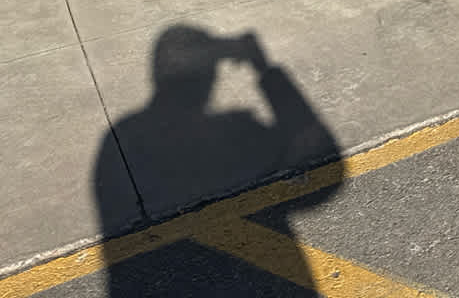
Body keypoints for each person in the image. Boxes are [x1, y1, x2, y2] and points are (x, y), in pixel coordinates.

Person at [93, 26, 343, 294]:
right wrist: (264, 68)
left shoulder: (120, 134)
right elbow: (319, 167)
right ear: (210, 78)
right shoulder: (235, 130)